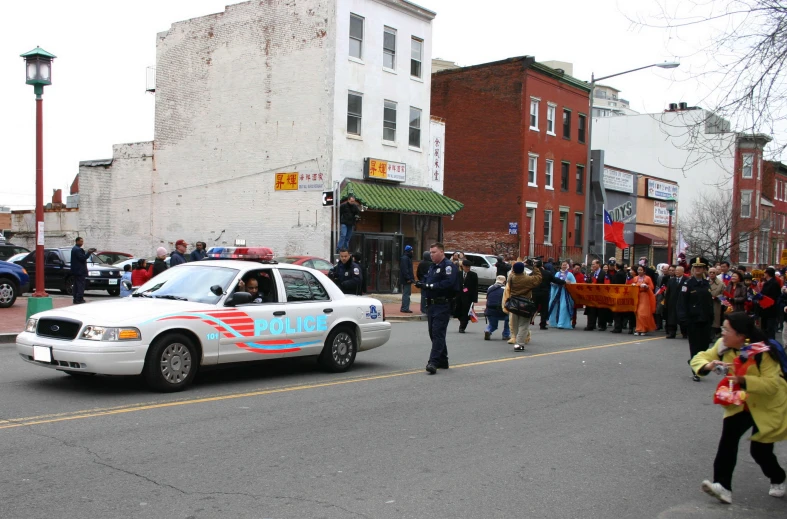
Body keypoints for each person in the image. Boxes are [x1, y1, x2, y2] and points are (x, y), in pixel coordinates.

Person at [691, 312, 787, 505]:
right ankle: (722, 486)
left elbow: (772, 385)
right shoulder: (723, 346)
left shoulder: (763, 352)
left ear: (741, 335)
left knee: (760, 451)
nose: (722, 333)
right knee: (728, 441)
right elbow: (699, 357)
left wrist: (743, 380)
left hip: (767, 405)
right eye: (723, 328)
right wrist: (708, 365)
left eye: (727, 329)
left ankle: (778, 477)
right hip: (740, 403)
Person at [416, 242, 459, 375]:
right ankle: (443, 360)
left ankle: (433, 362)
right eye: (430, 252)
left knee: (437, 333)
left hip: (443, 304)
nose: (432, 255)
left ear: (441, 252)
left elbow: (448, 283)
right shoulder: (432, 267)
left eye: (434, 252)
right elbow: (428, 279)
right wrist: (423, 284)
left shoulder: (448, 266)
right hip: (432, 304)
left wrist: (431, 286)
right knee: (433, 333)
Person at [679, 256, 714, 381]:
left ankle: (694, 361)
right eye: (696, 267)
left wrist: (712, 316)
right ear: (692, 269)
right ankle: (695, 370)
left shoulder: (706, 284)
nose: (698, 269)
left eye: (701, 267)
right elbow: (682, 303)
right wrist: (683, 319)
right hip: (693, 320)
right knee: (695, 346)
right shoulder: (688, 284)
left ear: (704, 269)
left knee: (704, 346)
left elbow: (709, 302)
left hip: (705, 319)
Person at [503, 261, 542, 351]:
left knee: (515, 324)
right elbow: (538, 278)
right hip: (525, 304)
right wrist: (535, 267)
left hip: (514, 303)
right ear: (523, 270)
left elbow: (512, 274)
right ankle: (519, 344)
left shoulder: (511, 278)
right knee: (523, 325)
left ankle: (516, 339)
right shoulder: (528, 279)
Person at [629, 265, 657, 336]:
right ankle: (639, 329)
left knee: (643, 313)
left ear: (644, 271)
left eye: (641, 270)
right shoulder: (635, 278)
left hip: (645, 296)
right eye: (638, 270)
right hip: (637, 296)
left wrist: (646, 286)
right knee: (637, 313)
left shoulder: (648, 278)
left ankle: (643, 329)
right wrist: (633, 285)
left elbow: (652, 287)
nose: (639, 271)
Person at [548, 261, 576, 329]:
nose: (564, 266)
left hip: (565, 293)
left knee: (563, 307)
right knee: (555, 307)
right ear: (561, 266)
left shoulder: (570, 274)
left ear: (568, 266)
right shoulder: (557, 273)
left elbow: (574, 283)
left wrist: (568, 284)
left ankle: (562, 323)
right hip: (557, 292)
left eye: (565, 265)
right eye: (563, 265)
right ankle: (553, 322)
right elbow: (553, 281)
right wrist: (555, 284)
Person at [454, 259, 479, 332]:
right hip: (459, 296)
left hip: (468, 298)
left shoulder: (473, 275)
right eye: (466, 267)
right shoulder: (458, 274)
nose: (468, 268)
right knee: (458, 311)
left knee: (466, 312)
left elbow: (475, 287)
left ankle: (462, 327)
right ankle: (461, 320)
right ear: (463, 266)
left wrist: (475, 299)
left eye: (469, 267)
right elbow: (455, 284)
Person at [484, 275, 511, 341]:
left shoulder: (490, 287)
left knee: (493, 325)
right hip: (501, 311)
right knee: (509, 319)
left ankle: (488, 330)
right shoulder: (505, 289)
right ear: (504, 282)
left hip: (489, 310)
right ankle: (506, 335)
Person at [665, 265, 688, 339]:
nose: (676, 272)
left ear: (683, 272)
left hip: (683, 302)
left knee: (682, 319)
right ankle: (672, 333)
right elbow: (668, 292)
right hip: (672, 302)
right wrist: (666, 302)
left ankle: (684, 333)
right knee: (672, 318)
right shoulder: (671, 280)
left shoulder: (687, 280)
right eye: (676, 270)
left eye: (678, 270)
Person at [531, 259, 554, 334]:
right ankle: (542, 324)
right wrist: (563, 282)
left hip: (535, 292)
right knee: (544, 309)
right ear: (542, 265)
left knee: (533, 307)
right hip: (544, 293)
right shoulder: (547, 273)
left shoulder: (532, 274)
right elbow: (555, 280)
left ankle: (529, 320)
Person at [758, 267, 782, 340]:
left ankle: (771, 344)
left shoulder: (774, 283)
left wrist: (763, 297)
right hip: (765, 308)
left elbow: (774, 296)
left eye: (765, 273)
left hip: (771, 309)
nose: (764, 274)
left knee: (770, 328)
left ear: (768, 274)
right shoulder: (766, 283)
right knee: (764, 328)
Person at [71, 236, 95, 304]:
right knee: (80, 285)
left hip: (76, 270)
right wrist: (89, 253)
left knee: (76, 285)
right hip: (80, 271)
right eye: (81, 241)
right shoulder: (78, 249)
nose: (82, 243)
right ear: (77, 241)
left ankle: (75, 298)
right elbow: (82, 258)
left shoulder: (74, 249)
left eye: (82, 241)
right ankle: (79, 298)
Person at [584, 260, 607, 331]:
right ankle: (590, 325)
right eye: (592, 264)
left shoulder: (604, 273)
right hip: (592, 295)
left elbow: (607, 284)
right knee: (591, 310)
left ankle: (602, 325)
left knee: (601, 311)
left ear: (598, 265)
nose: (593, 266)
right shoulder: (591, 274)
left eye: (594, 264)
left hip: (601, 295)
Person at [708, 267, 726, 340]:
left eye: (713, 272)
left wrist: (717, 297)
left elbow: (724, 295)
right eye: (710, 272)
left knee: (714, 320)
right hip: (706, 304)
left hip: (716, 304)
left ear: (716, 274)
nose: (712, 274)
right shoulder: (705, 282)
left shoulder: (721, 284)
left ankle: (711, 335)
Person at [399, 245, 414, 313]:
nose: (412, 251)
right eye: (411, 250)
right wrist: (408, 278)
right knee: (406, 294)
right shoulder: (405, 258)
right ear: (409, 251)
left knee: (407, 293)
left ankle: (404, 307)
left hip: (407, 279)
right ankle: (405, 308)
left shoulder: (406, 258)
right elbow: (405, 269)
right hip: (406, 279)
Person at [416, 250, 432, 315]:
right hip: (429, 280)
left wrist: (420, 279)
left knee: (423, 295)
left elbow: (418, 273)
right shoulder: (431, 264)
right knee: (429, 295)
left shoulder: (421, 263)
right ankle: (428, 308)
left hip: (422, 280)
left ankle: (423, 309)